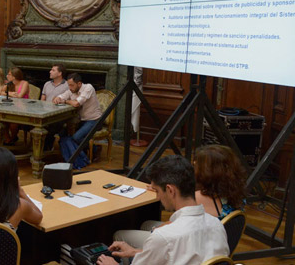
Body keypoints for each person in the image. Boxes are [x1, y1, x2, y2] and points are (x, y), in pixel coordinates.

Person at [96, 155, 229, 265]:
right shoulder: (217, 225)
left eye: (157, 191)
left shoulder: (163, 237)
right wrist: (137, 252)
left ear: (170, 190)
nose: (158, 196)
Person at [113, 145, 247, 249]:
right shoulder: (234, 193)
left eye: (196, 165)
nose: (193, 167)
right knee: (146, 224)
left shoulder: (198, 198)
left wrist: (162, 189)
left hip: (191, 242)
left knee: (120, 235)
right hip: (210, 241)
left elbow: (173, 225)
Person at [53, 73, 101, 169]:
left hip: (94, 120)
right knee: (63, 134)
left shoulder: (88, 88)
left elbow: (76, 103)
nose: (70, 87)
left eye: (71, 85)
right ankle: (79, 156)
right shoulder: (72, 90)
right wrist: (58, 98)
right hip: (81, 121)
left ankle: (95, 149)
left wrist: (65, 101)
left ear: (79, 84)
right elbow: (60, 97)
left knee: (75, 138)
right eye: (69, 85)